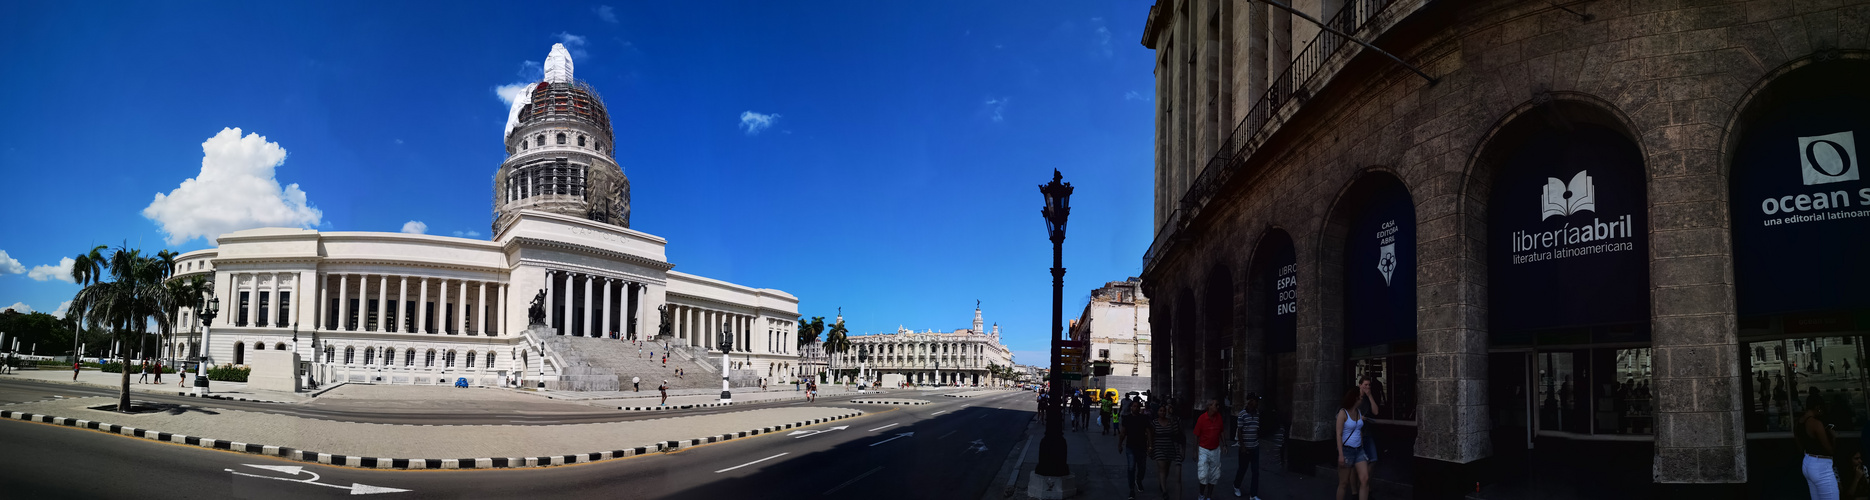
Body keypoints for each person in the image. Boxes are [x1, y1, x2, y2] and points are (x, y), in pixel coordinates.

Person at [1801, 392, 1840, 500]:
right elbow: (1830, 450)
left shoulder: (1799, 422)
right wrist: (1833, 437)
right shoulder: (1816, 424)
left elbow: (1799, 445)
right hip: (1821, 465)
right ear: (1817, 407)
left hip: (1807, 460)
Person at [1337, 387, 1372, 500]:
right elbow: (1339, 434)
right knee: (1344, 483)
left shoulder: (1358, 412)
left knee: (1364, 479)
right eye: (1360, 398)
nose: (1361, 400)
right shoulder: (1343, 413)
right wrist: (1341, 454)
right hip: (1347, 450)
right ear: (1355, 399)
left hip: (1359, 450)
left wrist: (1361, 444)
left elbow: (1359, 429)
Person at [1150, 403, 1185, 500]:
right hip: (1159, 448)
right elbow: (1151, 436)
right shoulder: (1154, 423)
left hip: (1169, 448)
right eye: (1160, 411)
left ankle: (1162, 483)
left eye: (1164, 410)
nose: (1162, 412)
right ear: (1157, 412)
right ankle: (1164, 491)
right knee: (1162, 469)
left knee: (1167, 469)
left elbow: (1177, 434)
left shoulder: (1171, 422)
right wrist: (1150, 447)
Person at [1117, 402, 1150, 500]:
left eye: (1137, 406)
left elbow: (1148, 432)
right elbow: (1123, 433)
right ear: (1131, 407)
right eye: (1134, 406)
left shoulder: (1144, 418)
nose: (1135, 408)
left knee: (1142, 467)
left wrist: (1150, 446)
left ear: (1140, 408)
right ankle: (1131, 489)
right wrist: (1119, 444)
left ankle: (1139, 480)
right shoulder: (1127, 418)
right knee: (1131, 468)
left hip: (1142, 447)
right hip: (1130, 447)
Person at [1234, 394, 1264, 500]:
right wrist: (1242, 446)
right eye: (1256, 401)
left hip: (1255, 446)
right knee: (1242, 469)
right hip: (1245, 447)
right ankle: (1236, 485)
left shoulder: (1257, 414)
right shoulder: (1242, 414)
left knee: (1255, 471)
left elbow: (1257, 428)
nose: (1258, 404)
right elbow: (1240, 431)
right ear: (1251, 401)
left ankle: (1253, 494)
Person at [1194, 399, 1225, 500]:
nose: (1218, 407)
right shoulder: (1201, 419)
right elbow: (1196, 435)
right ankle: (1202, 494)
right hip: (1204, 449)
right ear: (1209, 406)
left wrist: (1224, 444)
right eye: (1216, 405)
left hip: (1215, 449)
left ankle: (1209, 496)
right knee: (1203, 474)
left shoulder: (1219, 417)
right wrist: (1195, 451)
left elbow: (1221, 431)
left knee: (1214, 474)